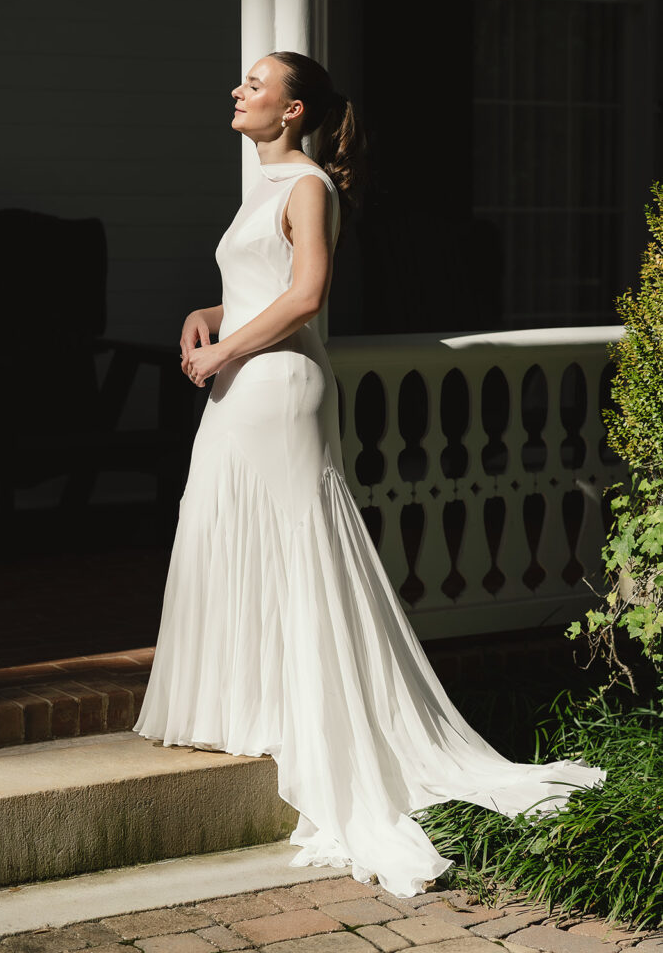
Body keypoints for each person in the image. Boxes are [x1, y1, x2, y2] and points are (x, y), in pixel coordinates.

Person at [132, 51, 606, 899]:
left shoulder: (308, 184)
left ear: (292, 109)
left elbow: (307, 295)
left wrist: (227, 352)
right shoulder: (265, 186)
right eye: (241, 81)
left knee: (297, 544)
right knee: (231, 532)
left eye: (255, 84)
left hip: (276, 390)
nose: (237, 91)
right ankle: (251, 704)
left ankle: (325, 722)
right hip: (240, 384)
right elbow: (256, 286)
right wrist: (207, 316)